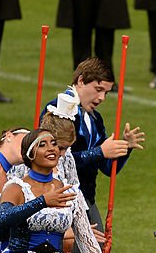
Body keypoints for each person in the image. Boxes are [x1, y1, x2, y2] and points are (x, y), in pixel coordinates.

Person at [52, 57, 145, 229]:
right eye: (98, 89)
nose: (101, 98)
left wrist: (125, 147)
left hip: (87, 199)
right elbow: (53, 159)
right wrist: (99, 152)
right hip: (61, 199)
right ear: (81, 81)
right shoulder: (60, 109)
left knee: (99, 252)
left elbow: (108, 168)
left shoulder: (96, 118)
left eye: (106, 93)